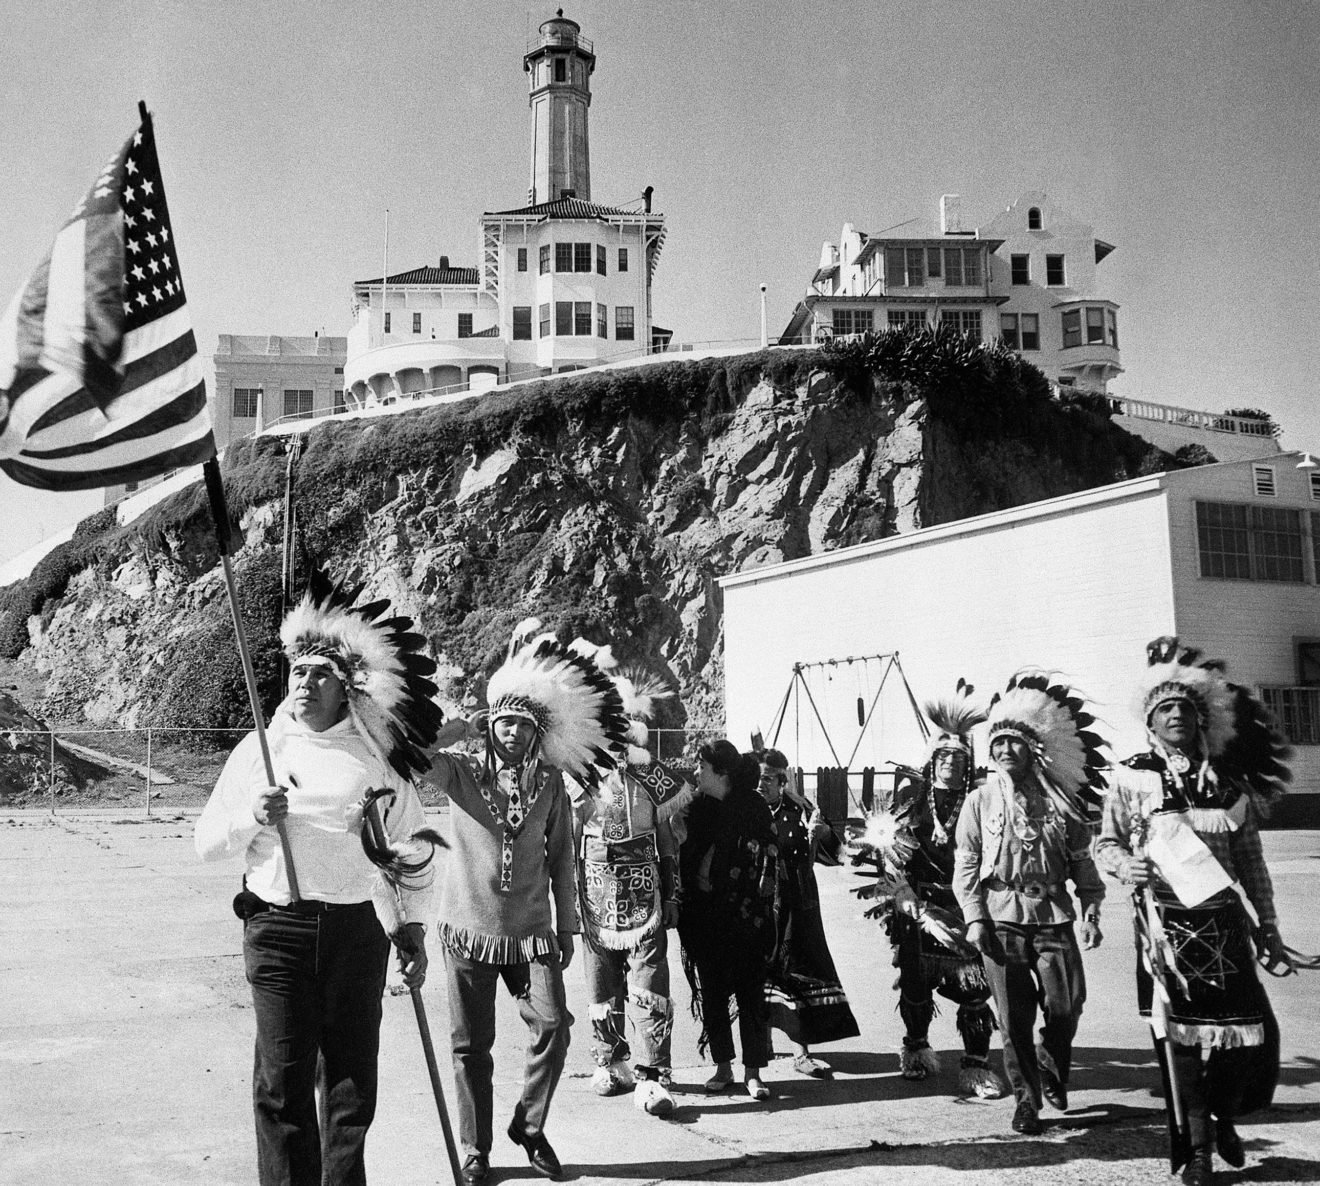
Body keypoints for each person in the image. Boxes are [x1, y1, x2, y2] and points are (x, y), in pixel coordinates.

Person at [195, 571, 444, 1186]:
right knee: (282, 1084)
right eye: (298, 671)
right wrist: (253, 817)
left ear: (348, 687)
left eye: (320, 674)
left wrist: (411, 932)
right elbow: (206, 843)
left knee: (352, 1086)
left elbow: (411, 851)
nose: (304, 683)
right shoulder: (261, 750)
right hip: (277, 928)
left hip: (356, 932)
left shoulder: (376, 759)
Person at [426, 623, 626, 1185]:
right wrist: (450, 732)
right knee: (471, 1047)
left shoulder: (553, 785)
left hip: (534, 932)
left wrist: (567, 930)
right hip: (467, 928)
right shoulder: (461, 774)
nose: (510, 732)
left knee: (555, 1026)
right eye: (502, 722)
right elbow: (411, 759)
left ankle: (529, 1125)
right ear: (490, 726)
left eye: (522, 724)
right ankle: (475, 1150)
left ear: (537, 732)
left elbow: (563, 859)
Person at [1094, 637, 1292, 1185]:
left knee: (1247, 1036)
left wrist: (1269, 926)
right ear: (1151, 724)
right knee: (1179, 1041)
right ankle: (1197, 1150)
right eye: (1165, 709)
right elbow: (1105, 842)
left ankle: (1224, 1113)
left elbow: (1250, 860)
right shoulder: (1130, 777)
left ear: (1202, 719)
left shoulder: (1228, 786)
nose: (1176, 714)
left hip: (1225, 922)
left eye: (1184, 707)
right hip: (1164, 928)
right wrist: (1120, 864)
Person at [953, 672, 1107, 1136]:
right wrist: (974, 918)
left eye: (1013, 744)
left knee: (1066, 1005)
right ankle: (1026, 1101)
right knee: (1013, 1018)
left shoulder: (1064, 803)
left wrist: (1093, 909)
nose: (1004, 752)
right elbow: (966, 864)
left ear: (1034, 749)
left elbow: (1083, 861)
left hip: (1053, 917)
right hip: (1001, 921)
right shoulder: (979, 801)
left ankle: (1052, 1065)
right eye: (997, 744)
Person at [852, 684, 1005, 1097]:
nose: (952, 764)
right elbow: (887, 846)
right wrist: (898, 887)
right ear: (932, 760)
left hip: (964, 906)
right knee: (916, 988)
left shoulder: (981, 800)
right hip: (917, 907)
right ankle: (916, 1050)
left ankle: (975, 1067)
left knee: (974, 990)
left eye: (959, 757)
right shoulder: (912, 799)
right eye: (945, 756)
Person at [565, 644, 695, 1117]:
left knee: (650, 978)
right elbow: (563, 841)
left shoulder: (650, 774)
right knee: (601, 980)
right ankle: (610, 1060)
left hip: (646, 893)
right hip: (593, 893)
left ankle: (653, 1072)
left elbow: (668, 839)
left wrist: (673, 890)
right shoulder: (575, 776)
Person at [678, 739, 779, 1102]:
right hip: (705, 916)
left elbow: (768, 858)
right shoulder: (697, 808)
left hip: (746, 915)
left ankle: (754, 1073)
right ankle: (723, 1066)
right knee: (713, 992)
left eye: (701, 767)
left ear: (720, 772)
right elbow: (685, 855)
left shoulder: (752, 808)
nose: (695, 773)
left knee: (751, 994)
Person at [758, 748, 859, 1078]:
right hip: (758, 904)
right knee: (759, 974)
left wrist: (824, 834)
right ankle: (761, 1045)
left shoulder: (801, 809)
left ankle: (801, 1051)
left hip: (798, 905)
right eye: (758, 777)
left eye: (768, 778)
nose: (761, 784)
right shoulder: (746, 809)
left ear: (783, 780)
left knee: (799, 970)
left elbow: (833, 853)